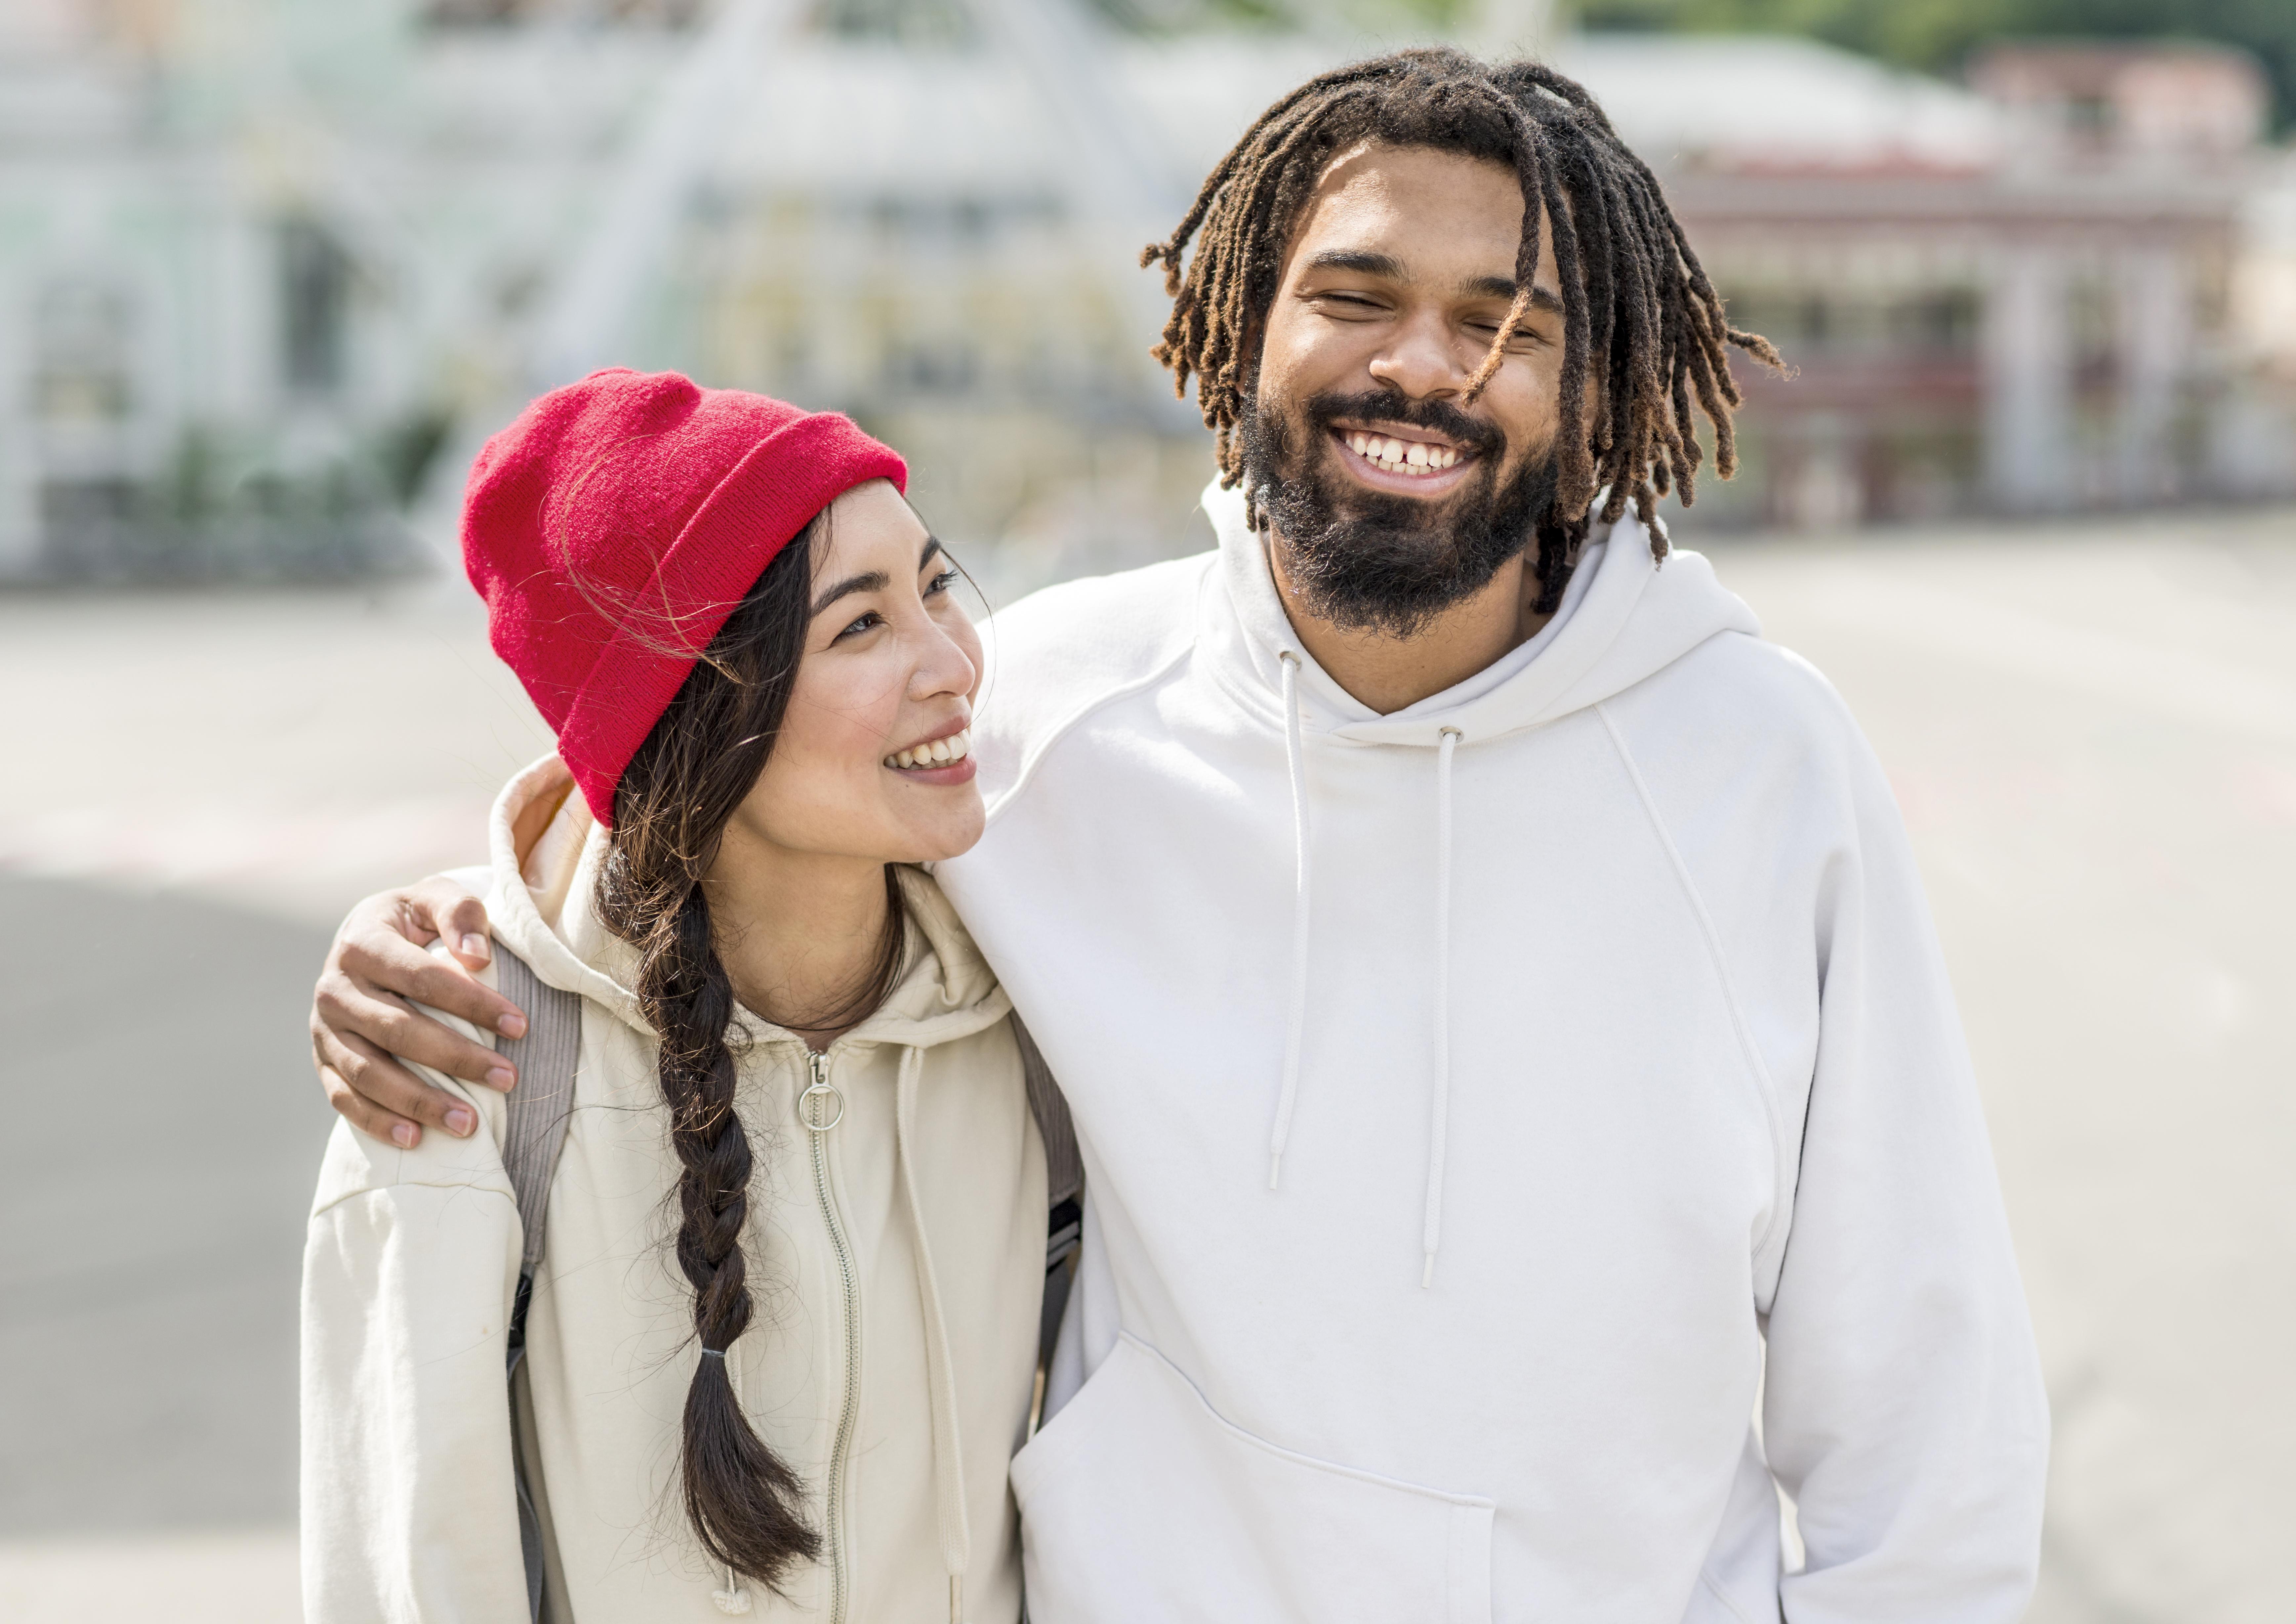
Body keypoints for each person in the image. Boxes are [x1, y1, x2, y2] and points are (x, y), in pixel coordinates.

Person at [312, 47, 2049, 1622]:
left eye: (1506, 321)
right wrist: (448, 932)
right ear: (1238, 333)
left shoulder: (1763, 764)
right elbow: (722, 770)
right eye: (1354, 296)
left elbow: (1928, 1435)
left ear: (1595, 391)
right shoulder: (1040, 715)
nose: (1422, 364)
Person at [302, 371, 1051, 1622]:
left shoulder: (1029, 1005)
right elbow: (411, 1578)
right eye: (861, 627)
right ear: (704, 716)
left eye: (935, 586)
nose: (954, 663)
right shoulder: (463, 1064)